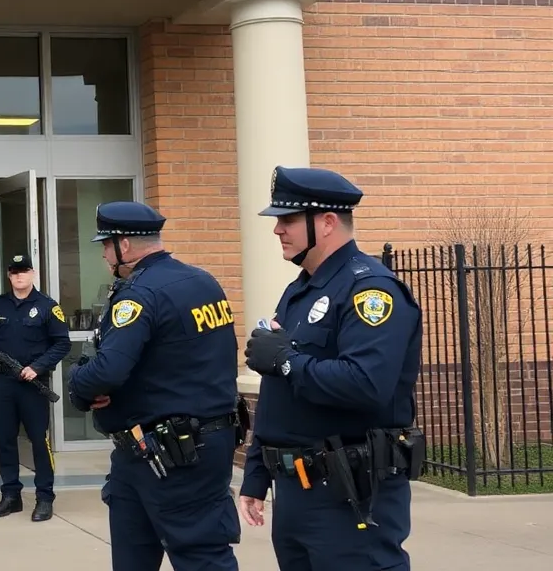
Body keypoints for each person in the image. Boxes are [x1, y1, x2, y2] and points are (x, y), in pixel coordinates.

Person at [239, 166, 424, 571]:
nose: (278, 231)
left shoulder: (370, 289)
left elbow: (366, 384)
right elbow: (278, 393)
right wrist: (256, 474)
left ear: (325, 223)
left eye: (287, 219)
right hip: (296, 492)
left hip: (350, 494)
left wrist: (287, 359)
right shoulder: (301, 290)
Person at [68, 202, 243, 571]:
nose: (103, 254)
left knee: (197, 557)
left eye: (105, 245)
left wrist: (79, 384)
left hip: (169, 454)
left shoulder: (139, 294)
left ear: (124, 245)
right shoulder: (203, 281)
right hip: (188, 443)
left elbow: (107, 371)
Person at [0, 253, 70, 521]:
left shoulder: (47, 306)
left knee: (39, 440)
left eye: (24, 271)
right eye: (14, 272)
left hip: (33, 383)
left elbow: (62, 343)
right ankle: (10, 495)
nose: (19, 276)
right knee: (5, 440)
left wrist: (37, 367)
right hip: (2, 382)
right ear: (9, 276)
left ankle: (44, 497)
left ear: (33, 273)